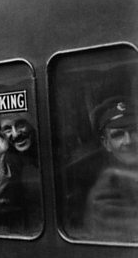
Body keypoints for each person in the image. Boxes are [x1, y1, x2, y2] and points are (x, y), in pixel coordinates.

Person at [65, 96, 138, 241]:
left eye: (135, 131)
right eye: (118, 135)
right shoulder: (107, 189)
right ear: (106, 144)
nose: (128, 141)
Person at [0, 112, 41, 233]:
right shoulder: (6, 162)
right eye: (7, 129)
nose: (15, 134)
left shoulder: (49, 149)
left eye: (21, 124)